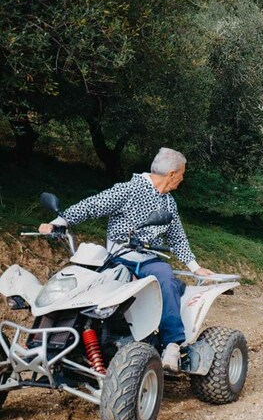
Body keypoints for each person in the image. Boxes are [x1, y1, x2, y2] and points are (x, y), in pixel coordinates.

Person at [38, 147, 214, 370]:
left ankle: (172, 344)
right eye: (181, 174)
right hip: (118, 257)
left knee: (166, 279)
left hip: (149, 259)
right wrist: (58, 223)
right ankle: (66, 340)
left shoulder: (169, 202)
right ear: (171, 174)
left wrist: (195, 267)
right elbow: (94, 205)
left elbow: (177, 238)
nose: (182, 179)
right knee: (81, 285)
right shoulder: (129, 189)